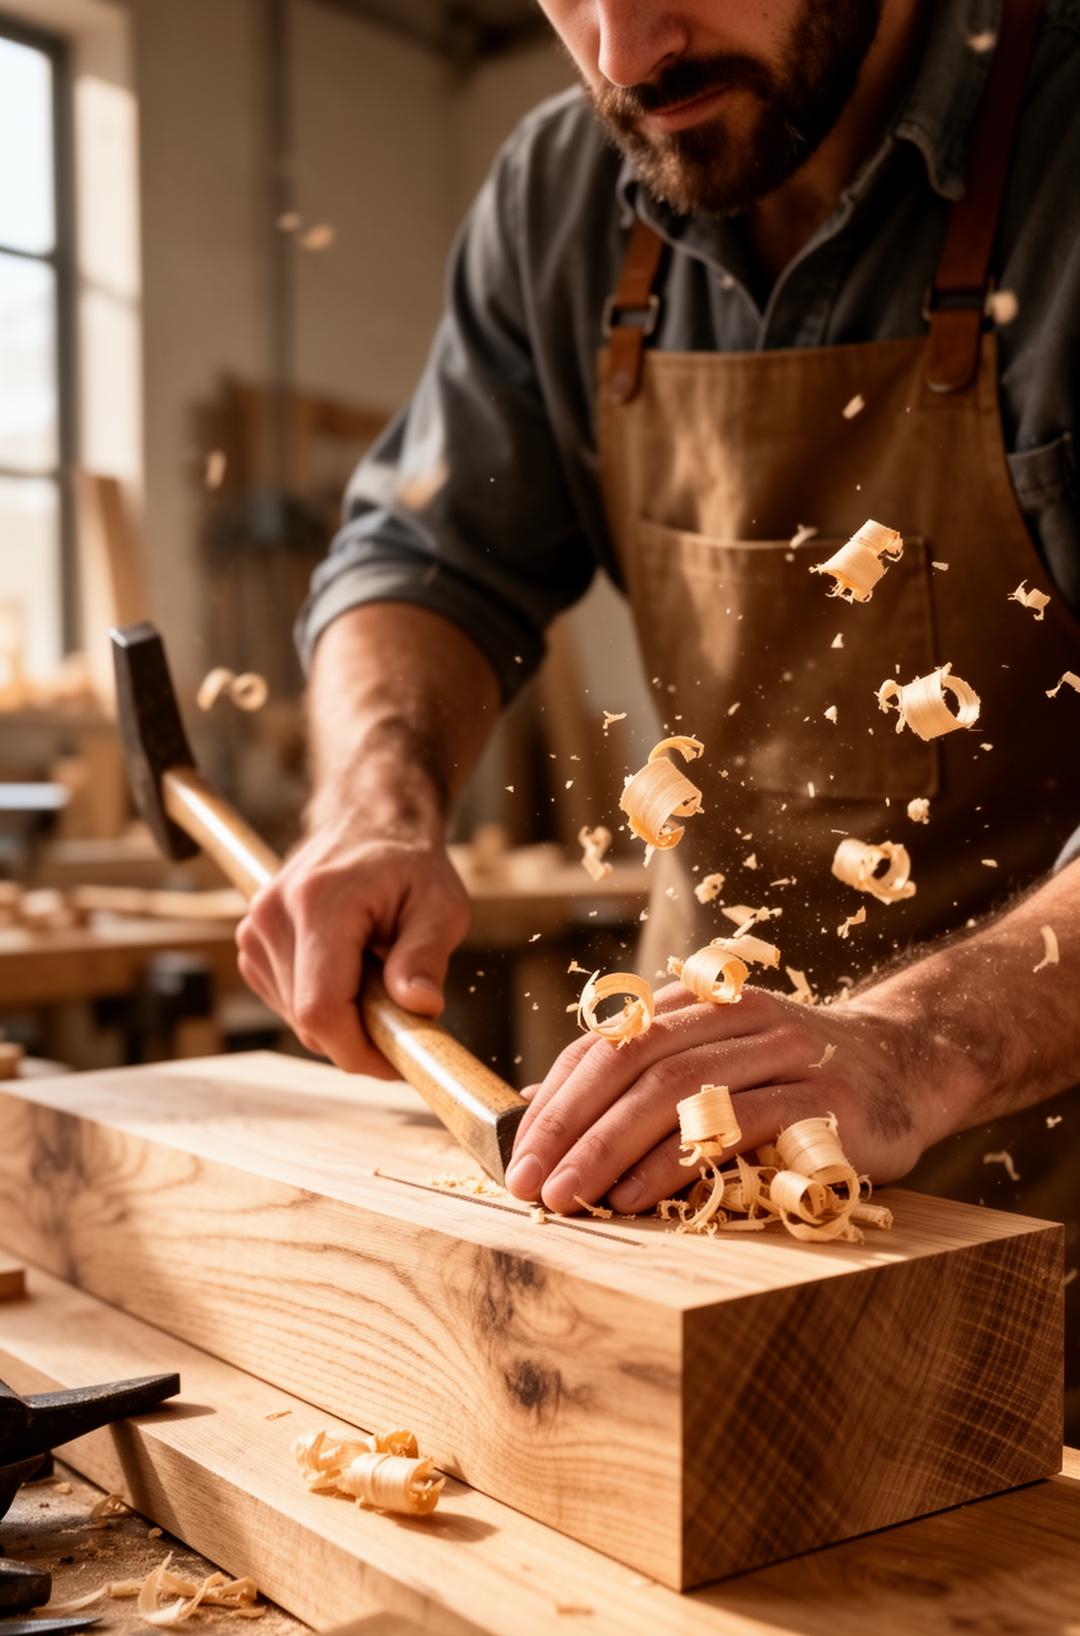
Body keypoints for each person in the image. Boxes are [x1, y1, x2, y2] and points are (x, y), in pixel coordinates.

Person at [237, 0, 1080, 1414]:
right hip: (707, 1207)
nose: (626, 56)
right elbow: (427, 558)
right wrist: (373, 801)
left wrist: (918, 1045)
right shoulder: (570, 192)